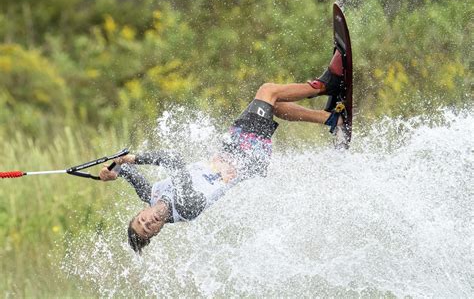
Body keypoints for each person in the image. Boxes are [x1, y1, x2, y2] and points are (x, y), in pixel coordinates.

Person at [99, 50, 347, 254]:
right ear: (156, 233)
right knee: (268, 91)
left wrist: (116, 169)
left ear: (141, 212)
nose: (147, 222)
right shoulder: (186, 208)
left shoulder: (151, 196)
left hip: (232, 147)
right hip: (247, 156)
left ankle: (331, 121)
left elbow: (131, 174)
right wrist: (134, 157)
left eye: (141, 220)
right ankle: (324, 85)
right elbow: (173, 160)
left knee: (276, 105)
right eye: (147, 229)